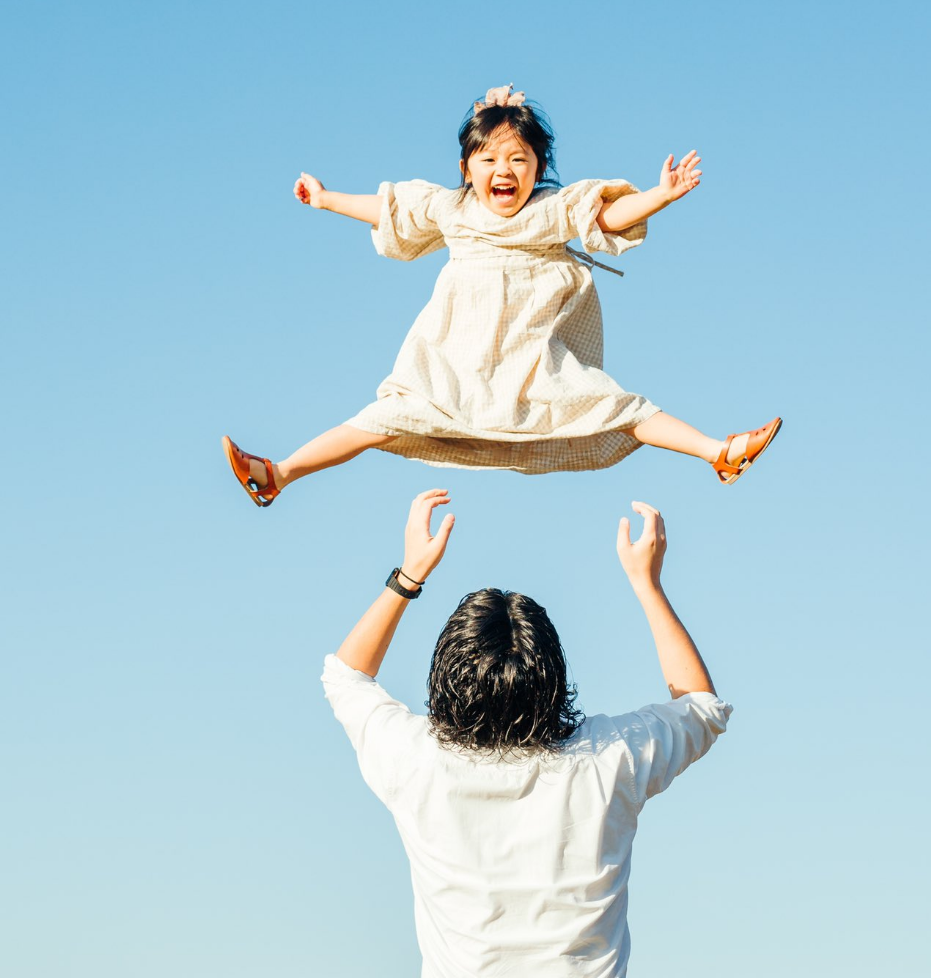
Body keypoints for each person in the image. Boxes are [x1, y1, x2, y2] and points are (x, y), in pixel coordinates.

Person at [223, 84, 781, 506]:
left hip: (533, 360)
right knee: (383, 417)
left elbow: (606, 214)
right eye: (489, 159)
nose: (504, 170)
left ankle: (718, 452)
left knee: (617, 407)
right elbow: (390, 209)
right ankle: (279, 474)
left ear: (539, 168)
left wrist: (660, 194)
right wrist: (325, 199)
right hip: (455, 361)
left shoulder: (549, 209)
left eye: (518, 159)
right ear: (466, 169)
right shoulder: (452, 208)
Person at [323, 488, 732, 978]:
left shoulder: (417, 761)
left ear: (447, 674)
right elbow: (701, 708)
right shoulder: (608, 759)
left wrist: (410, 574)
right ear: (554, 676)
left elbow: (345, 676)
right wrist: (648, 585)